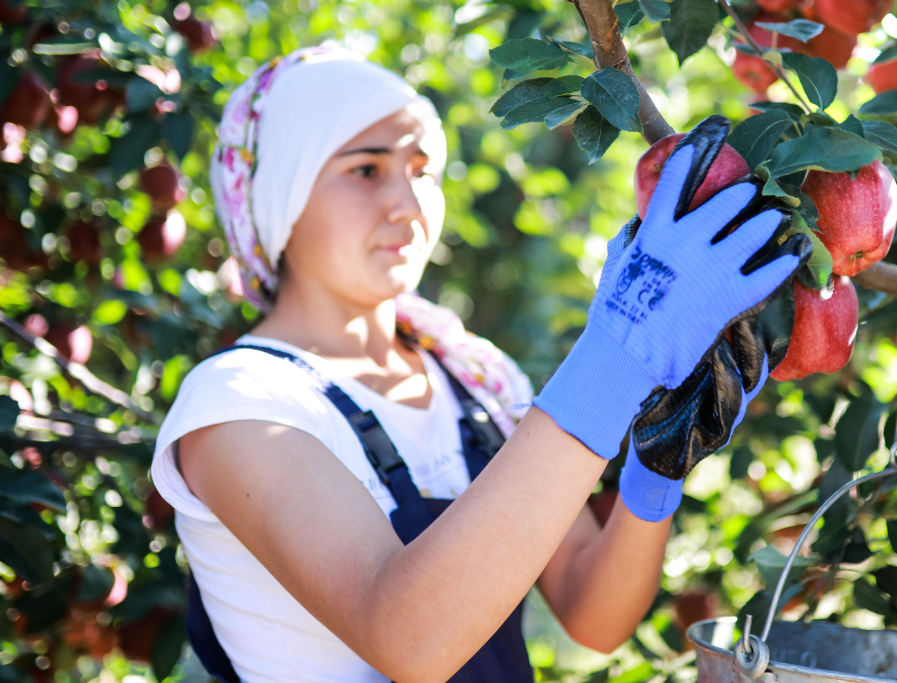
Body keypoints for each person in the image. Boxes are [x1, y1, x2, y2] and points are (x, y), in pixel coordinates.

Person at [150, 44, 807, 683]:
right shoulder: (239, 403)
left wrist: (654, 473)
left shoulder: (473, 381)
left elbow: (591, 614)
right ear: (281, 195)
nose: (407, 206)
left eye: (422, 170)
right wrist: (613, 357)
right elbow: (408, 638)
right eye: (366, 169)